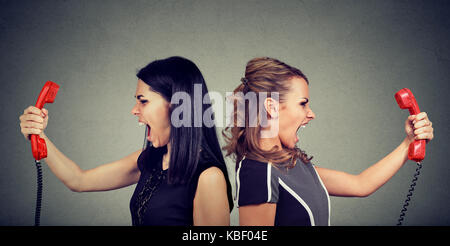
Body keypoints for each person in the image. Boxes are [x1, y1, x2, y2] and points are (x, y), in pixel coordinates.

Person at [19, 56, 233, 226]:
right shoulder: (149, 160)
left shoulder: (208, 177)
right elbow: (78, 180)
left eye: (143, 101)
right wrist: (39, 135)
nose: (134, 110)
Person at [222, 57, 434, 226]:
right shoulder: (258, 171)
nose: (311, 114)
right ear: (271, 107)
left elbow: (360, 184)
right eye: (303, 104)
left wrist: (409, 142)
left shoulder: (294, 163)